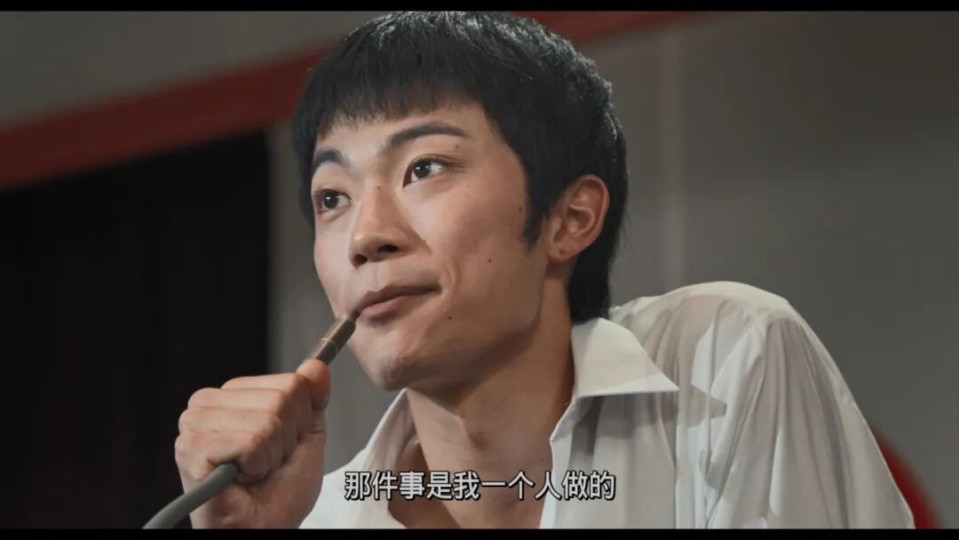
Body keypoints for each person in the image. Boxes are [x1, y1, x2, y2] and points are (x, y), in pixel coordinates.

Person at [173, 11, 915, 528]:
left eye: (424, 167)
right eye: (332, 197)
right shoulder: (321, 518)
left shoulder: (722, 361)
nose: (364, 237)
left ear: (570, 218)